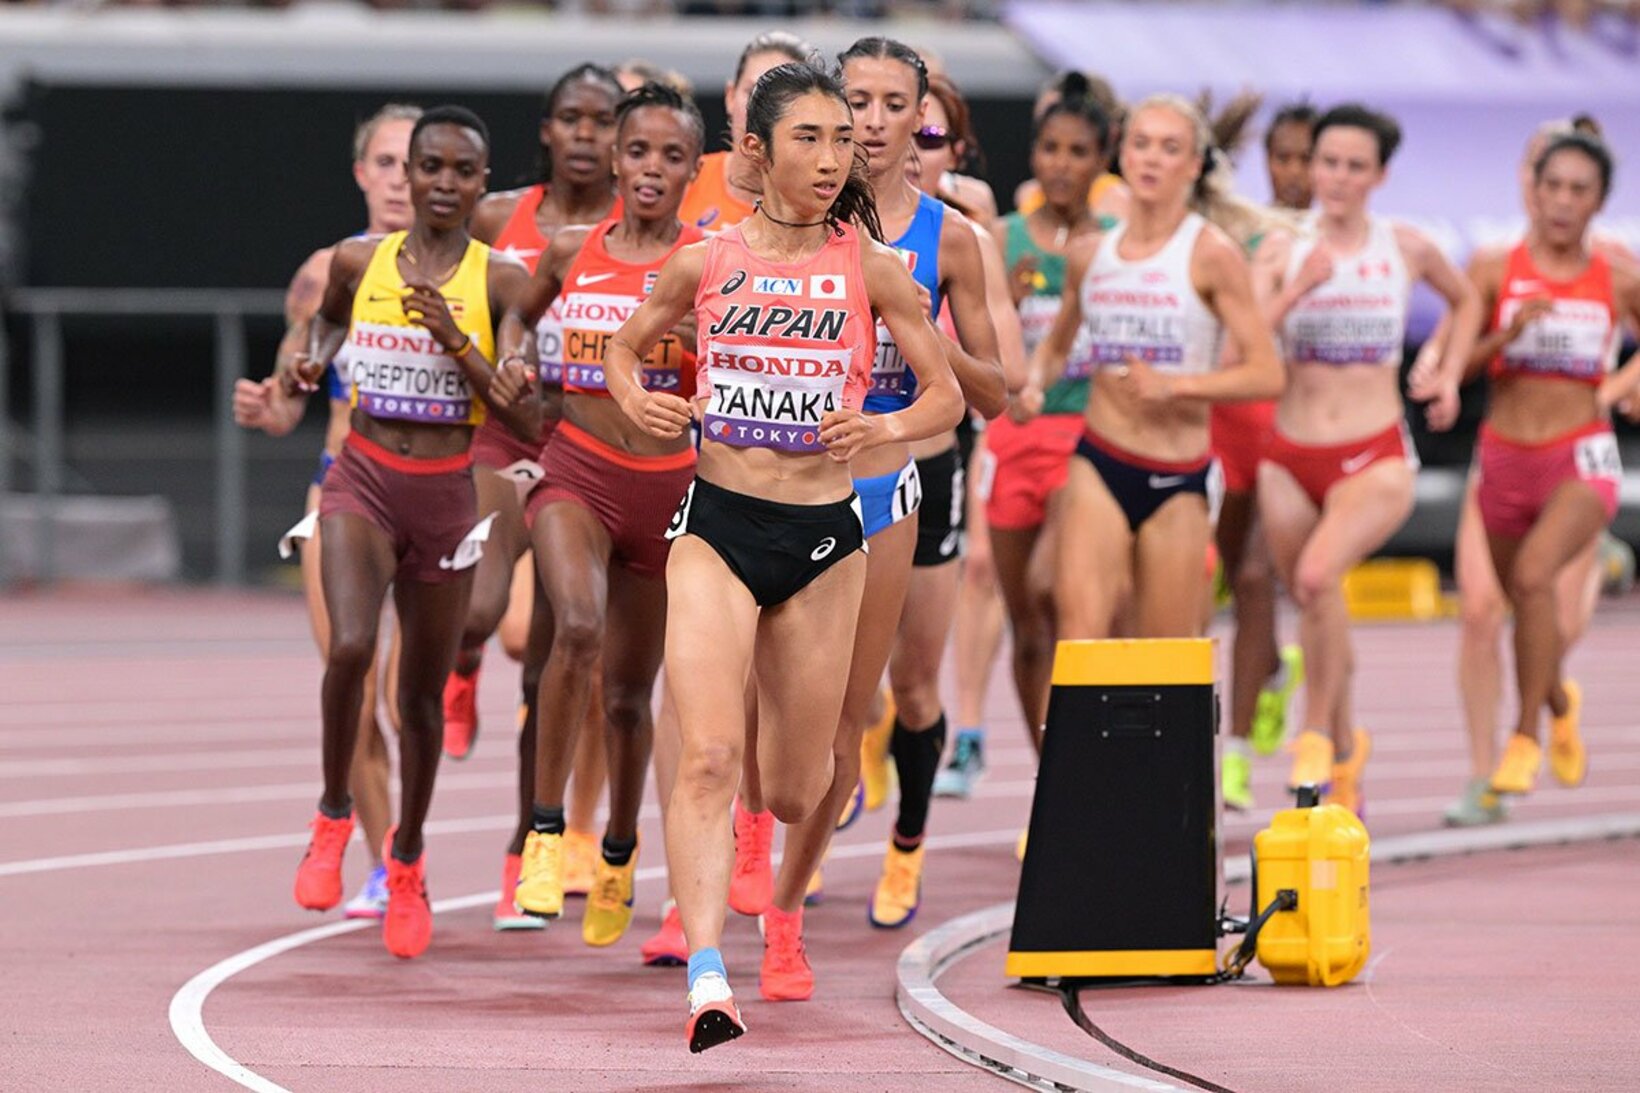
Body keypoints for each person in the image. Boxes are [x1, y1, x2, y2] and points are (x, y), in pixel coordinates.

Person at [601, 61, 963, 1051]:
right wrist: (636, 399)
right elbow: (623, 348)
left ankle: (783, 875)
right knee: (710, 755)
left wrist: (880, 432)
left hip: (820, 536)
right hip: (715, 523)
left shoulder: (870, 265)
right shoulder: (704, 262)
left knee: (798, 785)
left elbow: (944, 398)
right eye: (809, 137)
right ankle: (709, 977)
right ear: (753, 150)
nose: (830, 158)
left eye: (841, 140)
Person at [739, 37, 1002, 961]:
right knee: (763, 697)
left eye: (899, 106)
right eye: (860, 103)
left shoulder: (954, 235)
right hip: (793, 479)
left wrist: (922, 329)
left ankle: (888, 854)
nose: (878, 123)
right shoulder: (775, 226)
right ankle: (767, 854)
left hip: (908, 474)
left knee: (905, 688)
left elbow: (997, 391)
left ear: (921, 117)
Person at [289, 106, 533, 959]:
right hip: (361, 478)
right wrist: (311, 357)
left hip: (444, 494)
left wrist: (457, 343)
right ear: (412, 175)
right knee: (350, 647)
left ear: (480, 181)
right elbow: (328, 321)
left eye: (462, 171)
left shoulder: (503, 282)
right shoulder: (361, 261)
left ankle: (409, 856)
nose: (439, 183)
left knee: (418, 702)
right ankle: (330, 813)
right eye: (427, 166)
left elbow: (529, 415)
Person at [498, 83, 705, 949]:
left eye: (671, 156)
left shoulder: (709, 259)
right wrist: (514, 357)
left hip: (668, 487)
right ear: (615, 159)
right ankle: (547, 836)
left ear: (697, 170)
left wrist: (698, 353)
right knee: (572, 629)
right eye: (638, 151)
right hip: (576, 467)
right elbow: (518, 312)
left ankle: (619, 850)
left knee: (628, 696)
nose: (651, 169)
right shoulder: (572, 250)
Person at [1255, 103, 1480, 814]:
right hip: (1288, 454)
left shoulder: (1405, 246)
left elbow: (1467, 299)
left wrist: (1443, 367)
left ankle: (1316, 731)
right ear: (1310, 166)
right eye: (1328, 163)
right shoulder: (1277, 249)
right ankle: (1348, 750)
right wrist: (1298, 290)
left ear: (1379, 175)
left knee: (1319, 577)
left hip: (1373, 452)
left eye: (1355, 166)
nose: (1339, 178)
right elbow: (1245, 343)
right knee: (1317, 601)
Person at [234, 103, 420, 919]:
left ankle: (405, 837)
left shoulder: (478, 269)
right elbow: (287, 400)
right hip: (341, 488)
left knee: (408, 692)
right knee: (354, 673)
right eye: (385, 162)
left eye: (416, 163)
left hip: (436, 496)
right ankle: (387, 863)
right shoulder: (324, 273)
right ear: (361, 174)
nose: (401, 179)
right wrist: (263, 406)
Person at [453, 65, 625, 927]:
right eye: (572, 118)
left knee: (551, 662)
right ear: (548, 130)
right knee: (481, 609)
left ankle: (526, 848)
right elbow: (468, 301)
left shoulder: (643, 232)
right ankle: (457, 664)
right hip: (499, 432)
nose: (587, 134)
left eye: (603, 120)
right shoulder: (498, 217)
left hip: (580, 449)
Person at [1025, 94, 1284, 646]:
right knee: (1081, 634)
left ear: (1193, 166)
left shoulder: (1210, 254)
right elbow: (1054, 349)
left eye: (1169, 149)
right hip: (1099, 459)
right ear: (1123, 155)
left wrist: (1177, 386)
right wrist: (1031, 385)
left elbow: (1267, 373)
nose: (1151, 159)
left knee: (1163, 652)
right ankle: (1076, 737)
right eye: (1141, 145)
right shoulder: (1091, 254)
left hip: (1177, 474)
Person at [1436, 115, 1631, 826]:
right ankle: (1558, 700)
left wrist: (1620, 385)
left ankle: (1523, 738)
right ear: (1533, 188)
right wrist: (1506, 335)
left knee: (1530, 579)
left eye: (1579, 189)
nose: (1562, 200)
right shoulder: (1494, 267)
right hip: (1506, 455)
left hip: (1584, 454)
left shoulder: (1617, 274)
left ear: (1598, 198)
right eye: (1552, 184)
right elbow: (1457, 357)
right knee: (1525, 606)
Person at [939, 72, 1112, 802]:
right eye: (1050, 148)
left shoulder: (1117, 246)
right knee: (1026, 620)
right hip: (1013, 437)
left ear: (1103, 161)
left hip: (1088, 437)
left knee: (1061, 590)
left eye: (1078, 151)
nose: (1062, 163)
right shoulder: (1000, 237)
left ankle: (1083, 770)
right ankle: (1053, 776)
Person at [677, 30, 813, 233]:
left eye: (782, 98)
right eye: (752, 93)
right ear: (730, 97)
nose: (761, 110)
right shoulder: (683, 180)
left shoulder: (820, 199)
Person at [1264, 102, 1318, 212]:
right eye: (1283, 158)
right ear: (1268, 160)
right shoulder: (1242, 227)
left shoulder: (1334, 229)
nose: (1294, 172)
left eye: (1306, 159)